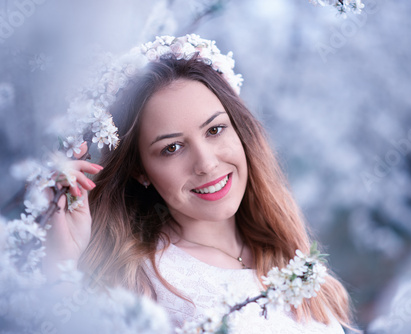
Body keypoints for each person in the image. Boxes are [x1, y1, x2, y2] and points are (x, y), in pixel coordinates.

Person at [45, 35, 353, 333]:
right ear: (141, 170)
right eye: (172, 148)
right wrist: (62, 262)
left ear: (240, 131)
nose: (206, 163)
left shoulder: (287, 254)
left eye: (215, 130)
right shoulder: (145, 285)